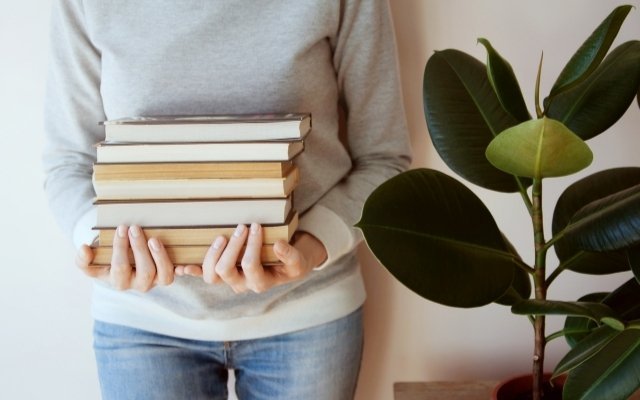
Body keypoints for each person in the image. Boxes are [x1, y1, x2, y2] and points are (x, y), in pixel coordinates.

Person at [43, 1, 411, 399]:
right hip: (142, 324)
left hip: (307, 312)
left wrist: (310, 248)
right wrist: (101, 246)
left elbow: (384, 159)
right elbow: (68, 162)